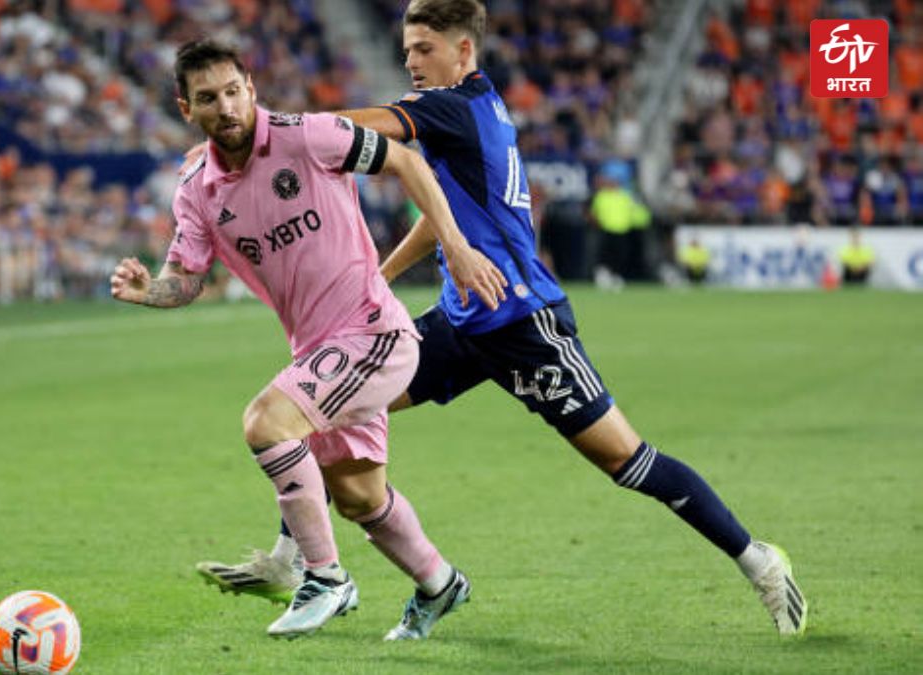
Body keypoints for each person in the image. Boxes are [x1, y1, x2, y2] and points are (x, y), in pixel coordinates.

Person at [196, 0, 807, 637]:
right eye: (406, 50)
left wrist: (261, 128)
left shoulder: (451, 108)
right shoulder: (471, 110)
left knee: (627, 462)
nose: (411, 61)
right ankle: (298, 562)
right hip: (461, 322)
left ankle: (757, 559)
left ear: (464, 52)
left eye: (424, 49)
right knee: (330, 406)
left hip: (523, 323)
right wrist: (383, 272)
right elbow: (445, 216)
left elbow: (343, 127)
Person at [111, 39, 508, 640]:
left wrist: (453, 243)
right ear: (185, 109)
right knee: (358, 497)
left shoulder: (308, 135)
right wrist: (150, 290)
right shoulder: (196, 188)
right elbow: (186, 278)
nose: (225, 107)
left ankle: (324, 580)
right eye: (207, 99)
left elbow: (406, 160)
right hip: (319, 350)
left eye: (232, 90)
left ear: (251, 85)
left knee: (267, 422)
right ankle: (440, 583)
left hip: (372, 331)